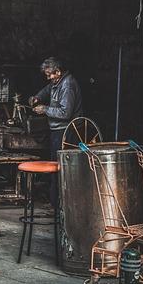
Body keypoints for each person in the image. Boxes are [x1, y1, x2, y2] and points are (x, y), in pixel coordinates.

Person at [29, 57, 83, 211]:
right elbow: (46, 90)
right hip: (56, 131)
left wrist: (44, 109)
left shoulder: (67, 85)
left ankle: (61, 206)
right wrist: (37, 98)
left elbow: (65, 113)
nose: (48, 78)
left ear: (58, 72)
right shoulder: (56, 83)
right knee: (55, 167)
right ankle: (55, 203)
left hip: (66, 132)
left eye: (49, 75)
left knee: (60, 168)